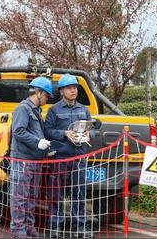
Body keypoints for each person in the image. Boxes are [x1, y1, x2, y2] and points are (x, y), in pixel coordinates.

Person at [45, 74, 94, 238]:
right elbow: (47, 131)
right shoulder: (54, 110)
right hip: (60, 158)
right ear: (61, 91)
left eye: (75, 87)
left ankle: (80, 227)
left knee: (79, 193)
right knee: (56, 194)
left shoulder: (84, 109)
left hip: (79, 158)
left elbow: (92, 129)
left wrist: (89, 134)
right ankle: (55, 228)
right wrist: (64, 133)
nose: (73, 90)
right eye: (69, 88)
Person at [10, 76, 55, 238]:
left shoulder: (36, 111)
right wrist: (38, 143)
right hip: (22, 160)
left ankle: (29, 229)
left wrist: (46, 149)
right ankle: (18, 231)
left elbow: (36, 133)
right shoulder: (23, 109)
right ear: (38, 92)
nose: (47, 99)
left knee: (31, 197)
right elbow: (18, 131)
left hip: (34, 160)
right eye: (46, 95)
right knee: (20, 197)